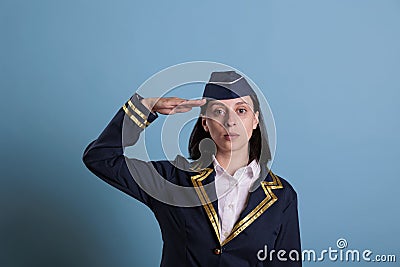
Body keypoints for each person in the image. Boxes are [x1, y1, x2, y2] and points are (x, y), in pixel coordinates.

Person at [82, 71, 301, 266]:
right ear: (205, 122)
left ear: (255, 121)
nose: (230, 121)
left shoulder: (282, 196)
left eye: (241, 110)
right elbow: (100, 158)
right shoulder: (173, 180)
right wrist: (146, 107)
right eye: (218, 111)